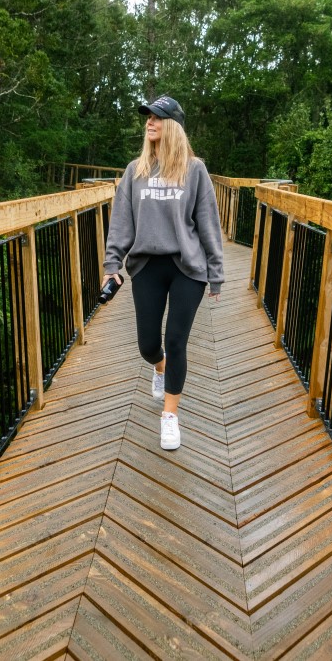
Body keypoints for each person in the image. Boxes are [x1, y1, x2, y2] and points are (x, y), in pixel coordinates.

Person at [102, 94, 225, 450]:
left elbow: (208, 223)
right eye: (148, 117)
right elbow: (121, 223)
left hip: (188, 267)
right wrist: (112, 264)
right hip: (147, 265)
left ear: (173, 125)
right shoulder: (135, 171)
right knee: (148, 345)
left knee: (175, 340)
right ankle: (159, 367)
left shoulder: (194, 170)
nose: (149, 122)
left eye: (156, 117)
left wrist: (215, 271)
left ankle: (170, 416)